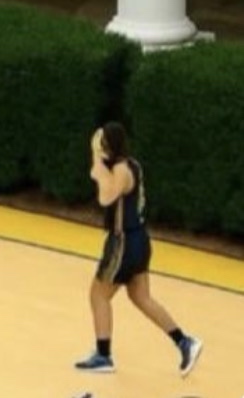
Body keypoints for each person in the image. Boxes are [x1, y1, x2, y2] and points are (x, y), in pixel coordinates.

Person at [74, 122, 202, 377]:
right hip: (139, 239)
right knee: (141, 297)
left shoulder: (120, 170)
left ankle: (103, 355)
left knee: (98, 295)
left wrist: (97, 162)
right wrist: (98, 164)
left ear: (108, 145)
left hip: (123, 242)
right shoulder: (132, 164)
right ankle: (184, 342)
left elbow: (105, 197)